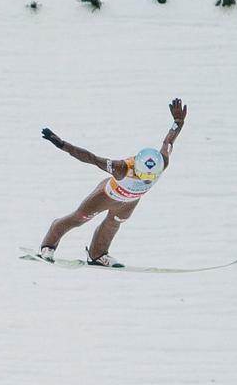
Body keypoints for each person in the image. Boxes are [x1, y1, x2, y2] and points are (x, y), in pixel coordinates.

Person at [38, 98, 188, 267]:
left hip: (129, 202)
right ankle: (48, 245)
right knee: (78, 219)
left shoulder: (163, 162)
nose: (147, 179)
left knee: (113, 225)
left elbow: (168, 141)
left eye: (151, 177)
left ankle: (97, 255)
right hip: (105, 196)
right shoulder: (122, 168)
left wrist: (177, 122)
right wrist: (62, 144)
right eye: (143, 175)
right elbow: (91, 158)